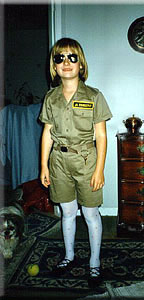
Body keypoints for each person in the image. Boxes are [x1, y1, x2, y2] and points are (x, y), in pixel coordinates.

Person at [39, 37, 112, 288]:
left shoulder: (94, 96)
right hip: (59, 162)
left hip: (86, 161)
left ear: (81, 64)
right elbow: (47, 133)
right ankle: (69, 256)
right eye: (60, 58)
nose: (66, 62)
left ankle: (94, 262)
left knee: (90, 213)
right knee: (67, 213)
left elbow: (101, 136)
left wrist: (99, 169)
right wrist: (44, 166)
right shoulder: (50, 98)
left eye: (72, 57)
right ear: (54, 65)